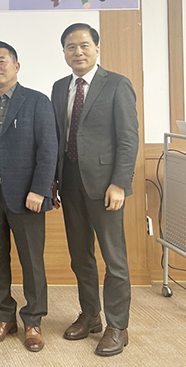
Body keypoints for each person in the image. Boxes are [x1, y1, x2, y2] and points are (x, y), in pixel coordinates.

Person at [0, 41, 57, 352]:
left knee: (32, 260)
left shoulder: (37, 101)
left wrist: (40, 189)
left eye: (1, 61)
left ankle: (33, 320)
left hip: (28, 196)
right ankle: (3, 316)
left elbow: (48, 149)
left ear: (16, 66)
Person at [51, 23, 138, 357]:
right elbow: (58, 138)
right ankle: (90, 315)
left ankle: (118, 326)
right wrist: (53, 181)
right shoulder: (60, 87)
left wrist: (120, 183)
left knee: (114, 258)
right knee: (80, 255)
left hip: (106, 186)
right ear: (64, 52)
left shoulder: (116, 84)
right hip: (70, 181)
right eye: (71, 46)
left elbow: (128, 138)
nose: (78, 52)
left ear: (96, 49)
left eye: (84, 45)